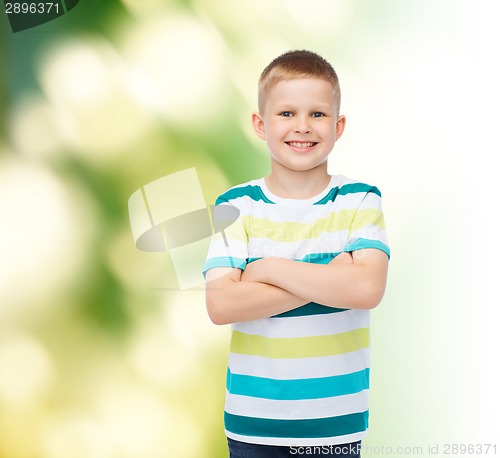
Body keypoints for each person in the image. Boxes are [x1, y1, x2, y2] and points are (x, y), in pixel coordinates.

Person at [202, 50, 390, 457]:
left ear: (339, 126)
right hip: (254, 426)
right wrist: (332, 275)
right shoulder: (235, 205)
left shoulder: (359, 200)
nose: (302, 126)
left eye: (318, 114)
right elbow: (220, 304)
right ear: (259, 123)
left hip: (335, 428)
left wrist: (265, 269)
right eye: (286, 113)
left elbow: (367, 289)